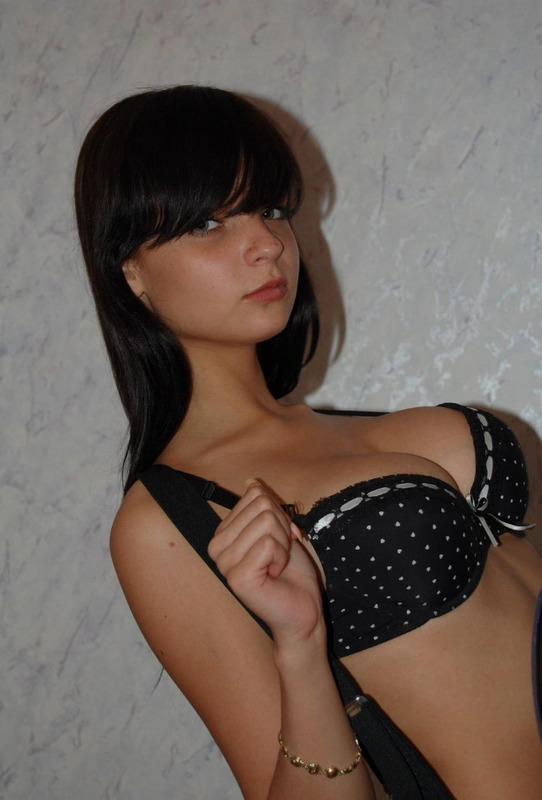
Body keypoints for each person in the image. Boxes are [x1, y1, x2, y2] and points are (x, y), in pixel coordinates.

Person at [74, 85, 542, 800]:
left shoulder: (353, 428)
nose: (267, 244)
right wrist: (299, 644)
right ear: (129, 270)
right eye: (208, 223)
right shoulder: (166, 522)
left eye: (271, 209)